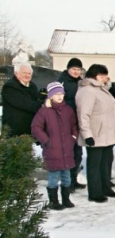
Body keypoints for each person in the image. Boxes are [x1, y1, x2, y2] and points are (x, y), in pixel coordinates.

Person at [75, 64, 115, 203]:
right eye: (102, 75)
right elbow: (84, 114)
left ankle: (106, 188)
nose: (105, 78)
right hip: (95, 133)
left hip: (107, 133)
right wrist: (87, 134)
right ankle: (95, 192)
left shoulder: (102, 89)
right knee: (95, 164)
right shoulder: (88, 91)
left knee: (106, 162)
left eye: (105, 75)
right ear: (94, 76)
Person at [31, 82, 78, 210]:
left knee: (66, 177)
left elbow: (74, 126)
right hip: (52, 150)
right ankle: (54, 201)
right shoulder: (44, 111)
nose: (59, 96)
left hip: (67, 150)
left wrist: (73, 137)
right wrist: (46, 140)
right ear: (51, 96)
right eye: (56, 94)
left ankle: (66, 199)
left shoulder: (68, 110)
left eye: (61, 94)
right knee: (54, 177)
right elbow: (36, 127)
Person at [57, 58, 86, 191]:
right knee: (67, 153)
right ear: (68, 69)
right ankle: (66, 182)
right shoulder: (61, 82)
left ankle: (73, 179)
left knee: (77, 153)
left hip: (77, 122)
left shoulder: (81, 82)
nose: (76, 71)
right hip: (65, 122)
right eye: (74, 69)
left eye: (78, 69)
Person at [1, 63, 42, 137]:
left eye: (29, 73)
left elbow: (36, 99)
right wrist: (42, 106)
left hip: (30, 128)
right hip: (15, 130)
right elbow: (24, 103)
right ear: (16, 73)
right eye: (24, 73)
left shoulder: (32, 86)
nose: (27, 75)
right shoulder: (10, 87)